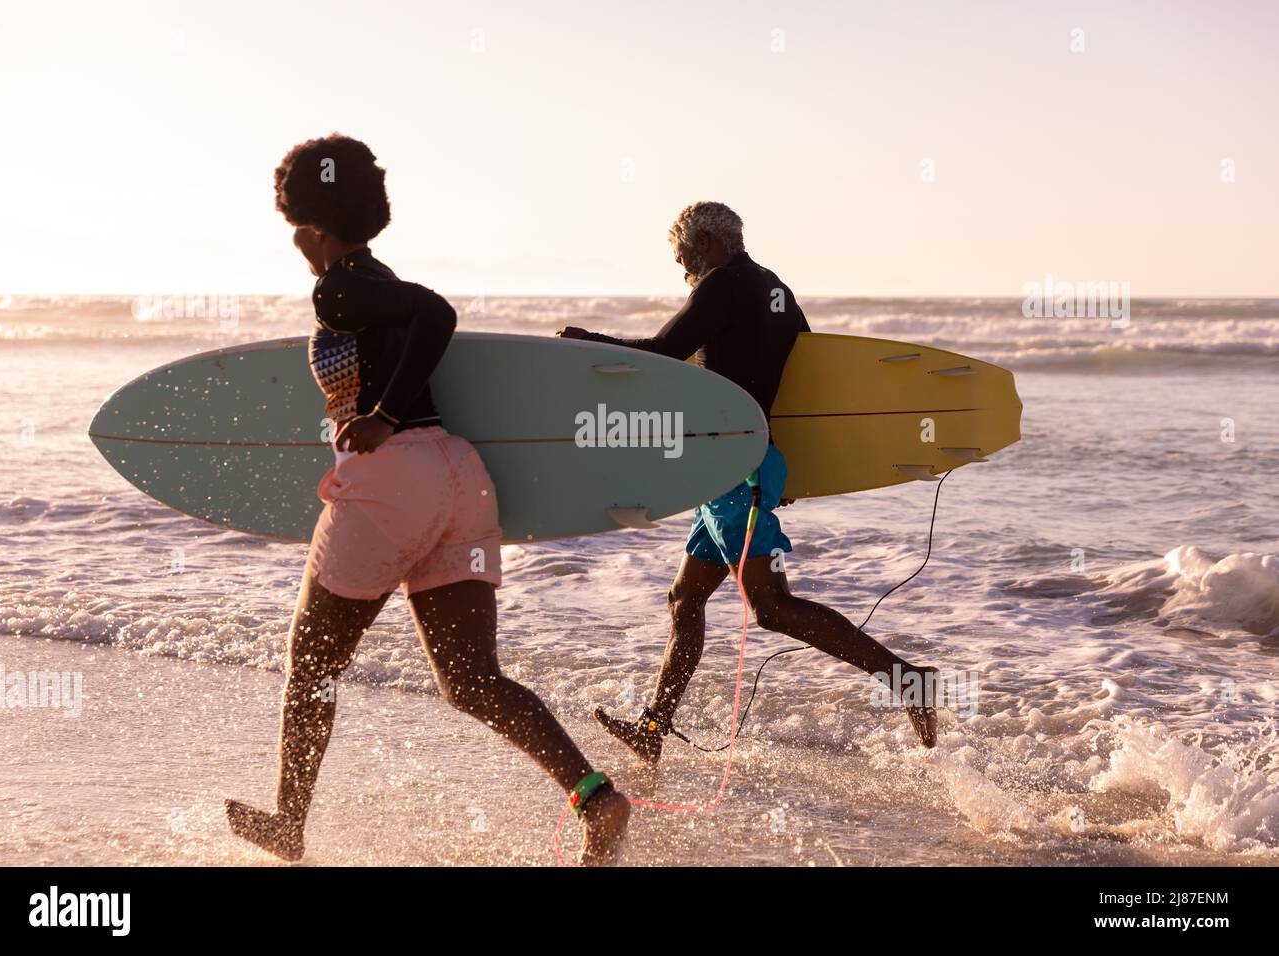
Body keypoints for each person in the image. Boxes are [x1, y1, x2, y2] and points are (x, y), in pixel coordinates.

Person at [225, 134, 630, 864]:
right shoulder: (371, 277)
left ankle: (289, 822)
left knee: (313, 664)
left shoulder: (340, 284)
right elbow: (422, 322)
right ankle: (595, 796)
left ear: (311, 229)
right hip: (458, 478)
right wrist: (391, 407)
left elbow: (436, 315)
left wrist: (382, 413)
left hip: (394, 482)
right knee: (472, 680)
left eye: (293, 225)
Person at [558, 201, 939, 764]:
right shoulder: (775, 288)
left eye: (685, 256)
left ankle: (909, 681)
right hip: (744, 461)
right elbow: (807, 380)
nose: (686, 269)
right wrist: (788, 466)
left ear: (709, 243)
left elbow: (666, 353)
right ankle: (653, 728)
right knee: (686, 598)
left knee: (772, 607)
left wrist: (589, 341)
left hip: (733, 465)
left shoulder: (721, 285)